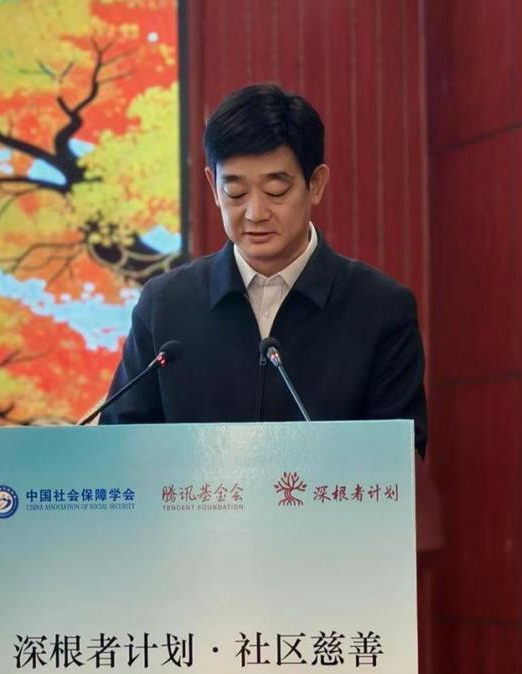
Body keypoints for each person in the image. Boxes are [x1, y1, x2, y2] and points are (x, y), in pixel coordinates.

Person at [99, 84, 427, 457]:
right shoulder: (164, 306)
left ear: (315, 184)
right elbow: (119, 447)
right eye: (236, 193)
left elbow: (399, 463)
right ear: (213, 187)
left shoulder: (380, 309)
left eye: (275, 191)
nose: (255, 213)